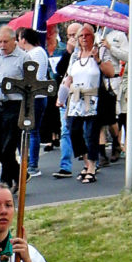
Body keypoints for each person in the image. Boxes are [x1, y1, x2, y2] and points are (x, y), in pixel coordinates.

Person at [0, 26, 30, 192]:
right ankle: (14, 175)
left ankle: (6, 181)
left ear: (14, 40)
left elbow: (30, 85)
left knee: (7, 148)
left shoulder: (23, 58)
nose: (1, 45)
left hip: (14, 105)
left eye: (5, 41)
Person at [64, 23, 113, 184]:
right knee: (74, 131)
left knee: (92, 134)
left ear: (93, 37)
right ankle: (85, 161)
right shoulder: (75, 55)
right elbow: (69, 76)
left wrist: (97, 59)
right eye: (81, 36)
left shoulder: (100, 52)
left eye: (88, 35)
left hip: (94, 99)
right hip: (76, 98)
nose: (84, 38)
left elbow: (110, 72)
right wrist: (62, 95)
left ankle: (92, 166)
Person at [17, 28, 49, 177]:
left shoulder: (31, 54)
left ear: (24, 39)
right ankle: (30, 161)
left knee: (31, 130)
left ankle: (32, 164)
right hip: (40, 95)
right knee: (32, 130)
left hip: (34, 96)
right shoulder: (41, 52)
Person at [51, 22, 81, 179]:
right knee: (65, 131)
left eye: (75, 35)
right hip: (67, 94)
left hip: (84, 95)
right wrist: (68, 52)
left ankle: (91, 163)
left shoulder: (89, 52)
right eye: (69, 35)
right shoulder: (66, 52)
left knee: (84, 131)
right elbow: (60, 71)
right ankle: (65, 166)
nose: (72, 39)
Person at [98, 28, 128, 165]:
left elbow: (127, 56)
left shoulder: (119, 36)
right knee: (99, 118)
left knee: (112, 117)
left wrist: (110, 48)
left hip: (113, 80)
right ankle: (101, 152)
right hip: (97, 79)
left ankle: (116, 141)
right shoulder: (96, 34)